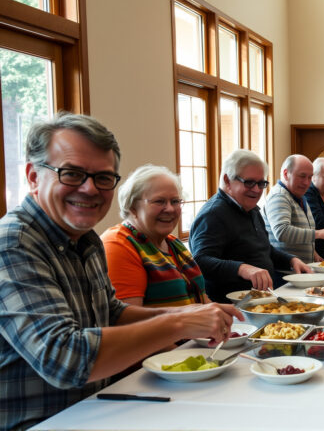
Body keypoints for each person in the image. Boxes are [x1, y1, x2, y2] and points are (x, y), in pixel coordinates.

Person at [0, 113, 242, 430]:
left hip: (99, 407)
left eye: (103, 178)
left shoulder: (85, 239)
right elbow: (65, 360)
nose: (89, 189)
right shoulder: (13, 244)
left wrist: (196, 311)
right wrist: (179, 322)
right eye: (71, 174)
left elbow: (111, 313)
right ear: (33, 176)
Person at [189, 150, 311, 302]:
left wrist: (291, 260)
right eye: (249, 182)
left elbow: (264, 249)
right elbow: (200, 261)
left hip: (258, 301)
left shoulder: (250, 208)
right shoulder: (213, 214)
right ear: (227, 180)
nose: (257, 190)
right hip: (231, 308)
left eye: (261, 183)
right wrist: (242, 268)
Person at [102, 165, 209, 306]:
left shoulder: (173, 243)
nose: (170, 209)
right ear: (133, 207)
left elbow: (201, 299)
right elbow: (128, 321)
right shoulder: (118, 245)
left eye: (175, 201)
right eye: (159, 201)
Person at [264, 154, 324, 263]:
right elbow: (282, 232)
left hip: (300, 270)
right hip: (285, 272)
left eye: (309, 177)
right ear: (286, 174)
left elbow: (304, 230)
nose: (307, 182)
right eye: (302, 176)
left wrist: (313, 253)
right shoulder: (279, 195)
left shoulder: (299, 196)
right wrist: (319, 234)